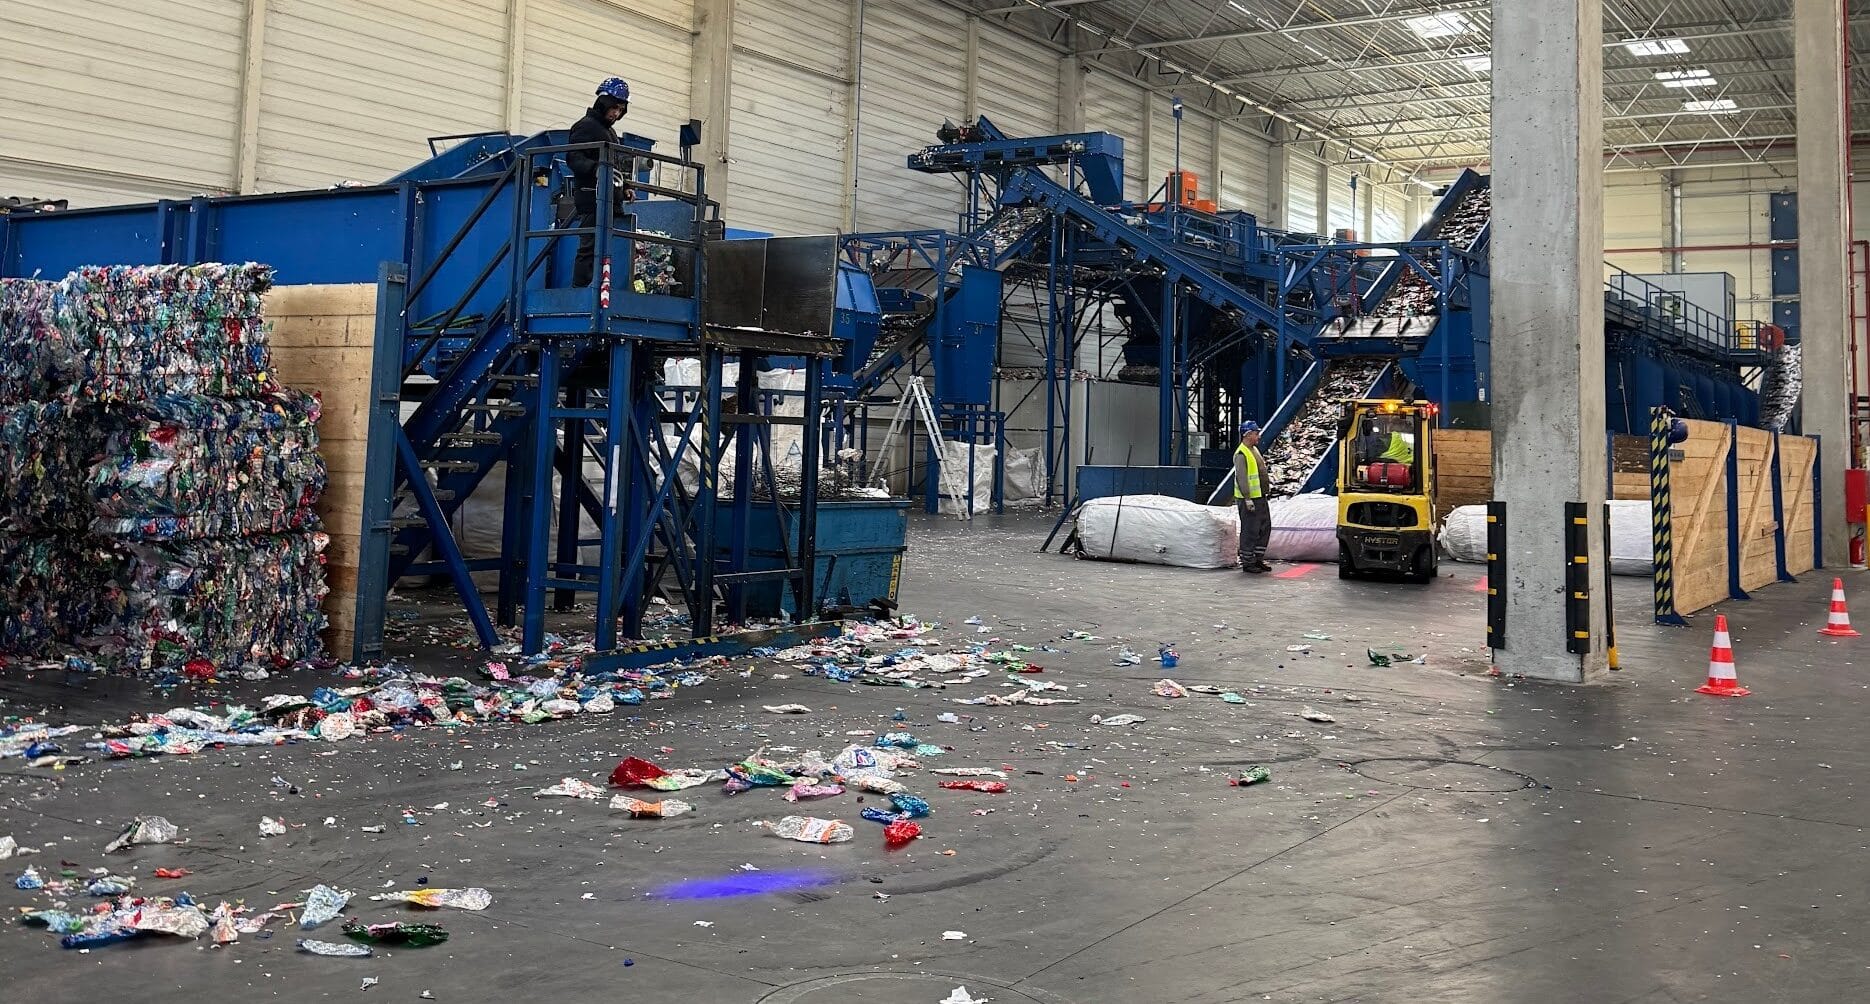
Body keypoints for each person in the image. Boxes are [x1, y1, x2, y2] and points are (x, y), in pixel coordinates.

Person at [568, 77, 635, 287]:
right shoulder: (585, 126)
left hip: (610, 201)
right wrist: (596, 169)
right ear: (603, 102)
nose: (616, 113)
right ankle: (580, 291)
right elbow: (574, 158)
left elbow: (617, 165)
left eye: (620, 109)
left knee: (608, 249)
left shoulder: (610, 133)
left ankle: (598, 291)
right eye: (614, 107)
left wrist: (626, 187)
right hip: (592, 198)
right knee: (589, 248)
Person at [1234, 421, 1272, 574]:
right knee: (1250, 530)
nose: (1258, 436)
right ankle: (1248, 562)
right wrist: (1247, 498)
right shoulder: (1241, 453)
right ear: (1248, 434)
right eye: (1256, 433)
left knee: (1264, 527)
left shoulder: (1253, 450)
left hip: (1260, 497)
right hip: (1249, 499)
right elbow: (1241, 478)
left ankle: (1257, 558)